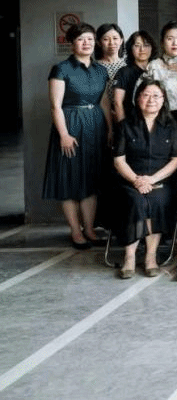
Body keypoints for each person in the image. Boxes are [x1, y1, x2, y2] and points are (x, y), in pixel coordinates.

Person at [43, 23, 109, 249]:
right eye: (81, 39)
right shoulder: (61, 68)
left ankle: (89, 229)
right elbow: (55, 106)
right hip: (70, 125)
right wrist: (63, 134)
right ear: (72, 43)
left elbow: (104, 102)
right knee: (69, 180)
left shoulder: (101, 70)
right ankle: (75, 231)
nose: (86, 43)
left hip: (95, 126)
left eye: (90, 39)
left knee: (91, 180)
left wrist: (110, 129)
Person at [111, 78, 177, 278]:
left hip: (160, 181)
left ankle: (150, 256)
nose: (151, 100)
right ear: (138, 99)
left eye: (156, 96)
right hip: (129, 181)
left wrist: (152, 180)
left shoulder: (172, 126)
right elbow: (119, 160)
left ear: (163, 100)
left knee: (157, 200)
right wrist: (136, 180)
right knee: (136, 201)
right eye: (146, 95)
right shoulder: (125, 125)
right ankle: (130, 257)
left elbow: (176, 160)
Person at [112, 30, 156, 123]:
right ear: (130, 48)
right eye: (137, 45)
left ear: (152, 48)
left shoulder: (157, 70)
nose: (142, 49)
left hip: (155, 122)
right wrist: (123, 126)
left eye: (146, 45)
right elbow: (117, 102)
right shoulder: (124, 72)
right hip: (132, 122)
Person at [95, 22, 126, 91]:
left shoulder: (128, 65)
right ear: (99, 42)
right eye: (106, 39)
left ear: (121, 41)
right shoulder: (94, 67)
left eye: (115, 38)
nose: (111, 43)